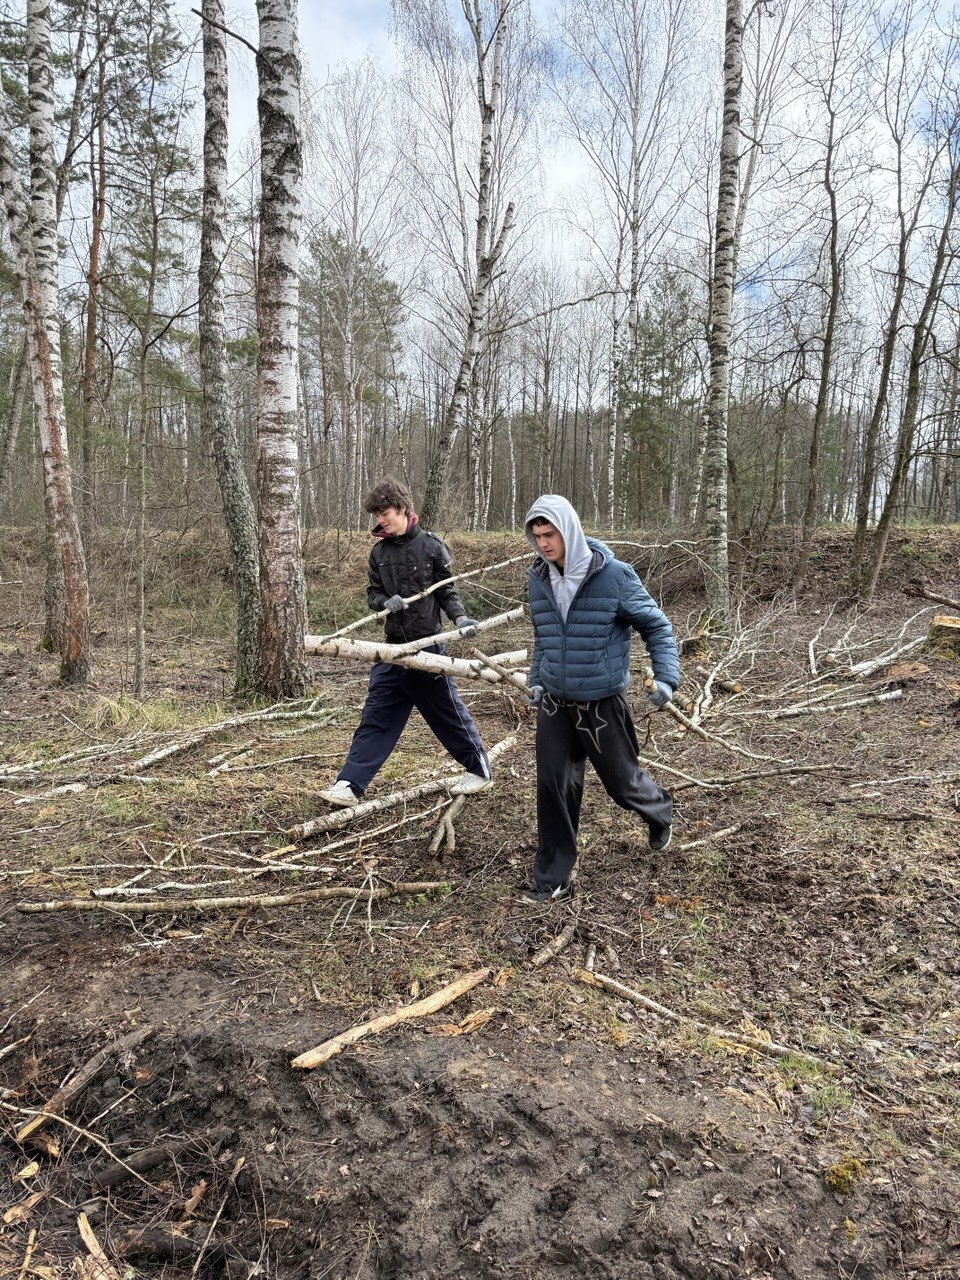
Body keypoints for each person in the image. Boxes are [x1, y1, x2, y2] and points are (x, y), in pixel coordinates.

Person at [521, 494, 680, 904]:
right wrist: (537, 679)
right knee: (553, 786)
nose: (543, 544)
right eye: (537, 536)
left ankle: (659, 810)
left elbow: (658, 629)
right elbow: (544, 635)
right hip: (555, 702)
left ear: (569, 530)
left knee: (622, 784)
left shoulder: (614, 576)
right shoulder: (538, 577)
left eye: (550, 534)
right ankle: (553, 877)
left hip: (601, 704)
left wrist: (666, 678)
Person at [319, 476, 492, 808]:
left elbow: (446, 591)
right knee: (376, 715)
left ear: (402, 508)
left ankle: (479, 770)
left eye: (385, 513)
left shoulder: (431, 546)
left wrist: (460, 619)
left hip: (427, 649)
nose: (380, 520)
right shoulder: (378, 552)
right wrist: (385, 602)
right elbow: (373, 594)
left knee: (447, 714)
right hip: (391, 650)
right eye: (377, 515)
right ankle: (350, 784)